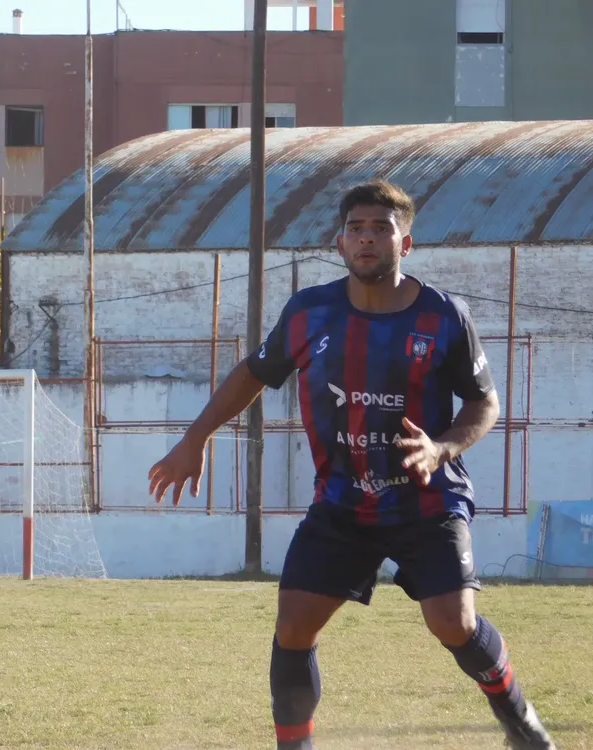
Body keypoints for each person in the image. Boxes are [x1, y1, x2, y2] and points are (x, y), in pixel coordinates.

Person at [148, 182, 556, 750]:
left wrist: (442, 448)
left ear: (404, 242)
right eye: (357, 228)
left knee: (453, 623)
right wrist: (194, 438)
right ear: (339, 241)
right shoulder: (309, 311)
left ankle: (521, 722)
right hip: (342, 503)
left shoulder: (443, 315)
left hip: (427, 501)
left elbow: (485, 402)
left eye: (381, 228)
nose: (368, 238)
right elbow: (253, 373)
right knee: (293, 626)